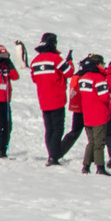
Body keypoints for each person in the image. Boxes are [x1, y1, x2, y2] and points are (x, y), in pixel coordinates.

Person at [29, 32, 74, 166]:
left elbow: (34, 79)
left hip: (43, 99)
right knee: (57, 129)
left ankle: (51, 154)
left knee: (49, 129)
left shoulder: (35, 61)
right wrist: (69, 61)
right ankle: (54, 157)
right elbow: (69, 72)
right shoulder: (56, 59)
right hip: (57, 99)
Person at [77, 54, 111, 175]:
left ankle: (86, 166)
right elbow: (104, 97)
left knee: (91, 142)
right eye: (103, 63)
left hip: (87, 115)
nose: (105, 66)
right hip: (99, 115)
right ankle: (100, 167)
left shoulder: (83, 78)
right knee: (99, 143)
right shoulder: (99, 78)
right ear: (98, 65)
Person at [60, 70, 86, 159]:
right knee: (95, 136)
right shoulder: (87, 76)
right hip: (86, 109)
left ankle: (59, 152)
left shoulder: (77, 75)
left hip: (77, 109)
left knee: (74, 132)